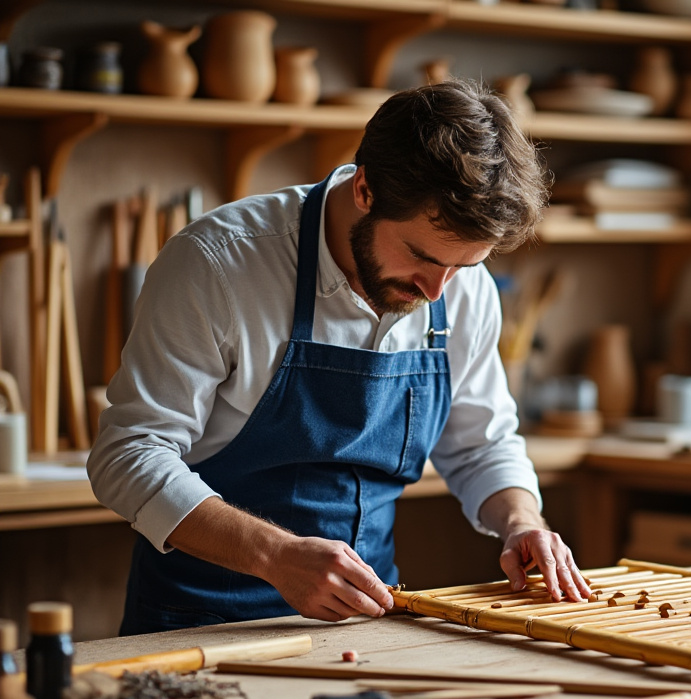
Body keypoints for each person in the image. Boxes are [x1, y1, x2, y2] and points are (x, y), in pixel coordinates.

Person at [89, 78, 591, 636]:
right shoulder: (218, 264)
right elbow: (129, 455)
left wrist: (521, 522)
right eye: (421, 257)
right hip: (200, 623)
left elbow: (482, 443)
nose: (436, 291)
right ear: (366, 191)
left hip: (367, 619)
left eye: (462, 268)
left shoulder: (458, 290)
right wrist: (276, 557)